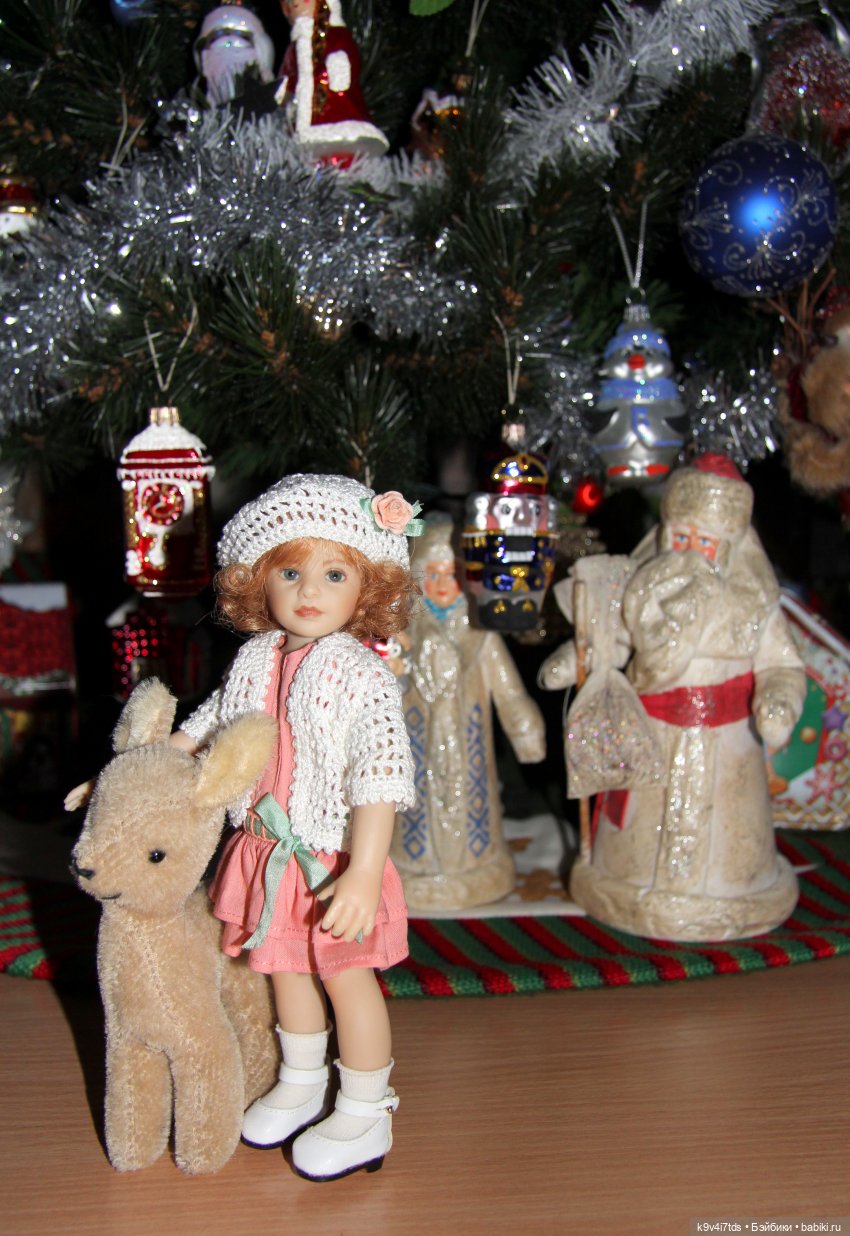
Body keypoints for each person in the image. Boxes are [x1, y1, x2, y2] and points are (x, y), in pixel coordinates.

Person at [71, 474, 422, 1181]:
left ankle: (366, 1108)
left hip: (328, 859)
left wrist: (363, 870)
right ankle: (301, 1080)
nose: (309, 591)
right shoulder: (259, 655)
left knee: (346, 979)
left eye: (334, 574)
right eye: (289, 572)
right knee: (279, 966)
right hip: (265, 849)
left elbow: (380, 776)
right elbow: (213, 721)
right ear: (258, 580)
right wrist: (136, 771)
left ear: (369, 585)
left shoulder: (362, 675)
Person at [539, 453, 806, 941]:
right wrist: (574, 659)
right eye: (681, 539)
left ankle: (734, 889)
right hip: (651, 739)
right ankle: (624, 881)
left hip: (727, 751)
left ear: (729, 548)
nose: (689, 553)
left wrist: (779, 700)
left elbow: (782, 665)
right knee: (641, 827)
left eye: (704, 543)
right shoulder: (642, 591)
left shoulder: (754, 608)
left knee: (728, 834)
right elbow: (610, 641)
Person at [392, 516, 546, 910]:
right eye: (433, 574)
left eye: (454, 574)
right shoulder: (404, 634)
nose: (443, 584)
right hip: (415, 748)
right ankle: (411, 864)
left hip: (469, 749)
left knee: (473, 807)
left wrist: (523, 724)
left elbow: (508, 689)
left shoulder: (480, 633)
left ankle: (476, 863)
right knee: (413, 809)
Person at [277, 0, 389, 163]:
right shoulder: (295, 46)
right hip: (301, 113)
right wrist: (283, 90)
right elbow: (289, 73)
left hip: (334, 103)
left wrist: (339, 65)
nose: (294, 4)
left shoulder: (335, 34)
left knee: (341, 142)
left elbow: (348, 54)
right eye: (287, 4)